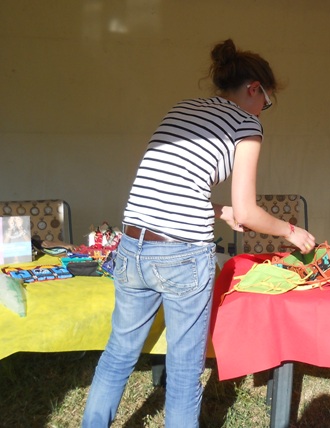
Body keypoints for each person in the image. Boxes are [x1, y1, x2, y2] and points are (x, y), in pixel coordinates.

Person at [82, 39, 316, 427]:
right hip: (182, 256)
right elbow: (249, 211)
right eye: (268, 102)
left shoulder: (182, 108)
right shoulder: (247, 123)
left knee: (119, 353)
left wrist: (218, 210)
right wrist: (291, 232)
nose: (265, 111)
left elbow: (167, 186)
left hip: (132, 244)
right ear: (254, 89)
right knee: (186, 369)